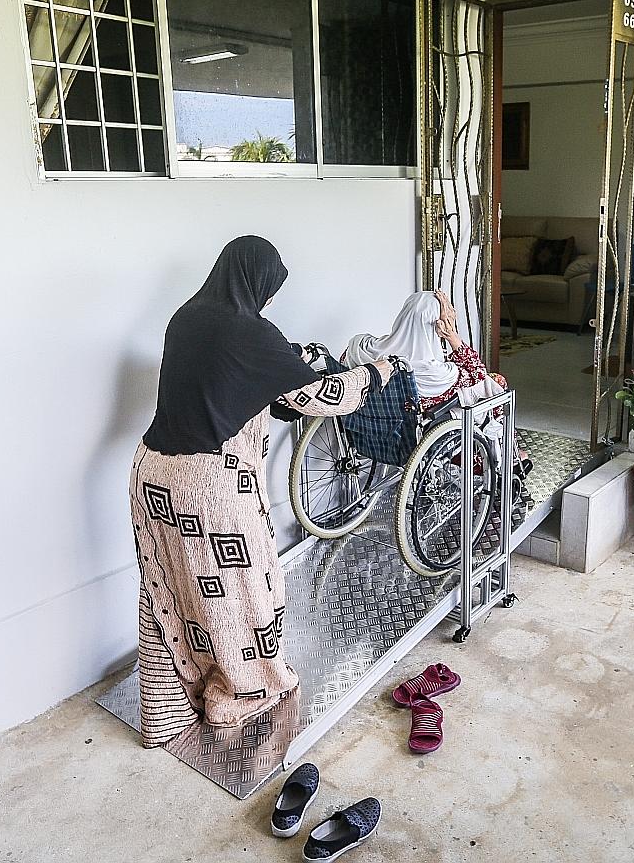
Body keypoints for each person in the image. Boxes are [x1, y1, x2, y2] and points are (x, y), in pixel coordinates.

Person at [130, 236, 391, 740]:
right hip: (206, 485)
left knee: (179, 591)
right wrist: (377, 373)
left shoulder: (186, 317)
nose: (270, 301)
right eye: (270, 290)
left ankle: (170, 705)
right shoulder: (250, 330)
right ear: (256, 283)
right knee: (243, 595)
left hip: (151, 475)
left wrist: (287, 362)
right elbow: (327, 396)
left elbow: (227, 381)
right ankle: (245, 690)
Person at [343, 290, 530, 474]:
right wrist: (453, 336)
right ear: (437, 326)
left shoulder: (362, 348)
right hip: (416, 436)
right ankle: (506, 457)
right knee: (495, 383)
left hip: (369, 431)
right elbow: (478, 373)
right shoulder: (436, 374)